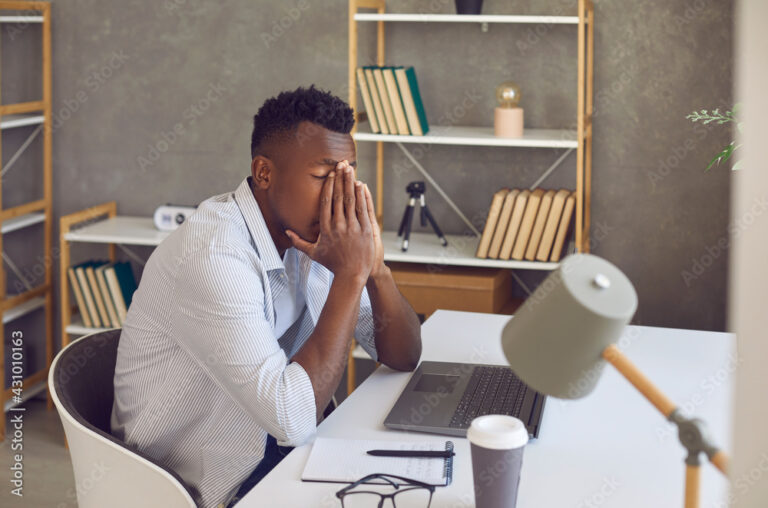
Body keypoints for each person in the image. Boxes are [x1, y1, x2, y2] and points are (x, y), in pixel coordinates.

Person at [110, 85, 422, 508]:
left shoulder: (318, 239)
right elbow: (293, 420)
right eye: (322, 175)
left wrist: (375, 268)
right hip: (205, 481)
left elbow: (402, 354)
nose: (340, 193)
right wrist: (350, 273)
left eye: (348, 174)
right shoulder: (214, 254)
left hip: (279, 447)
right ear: (264, 173)